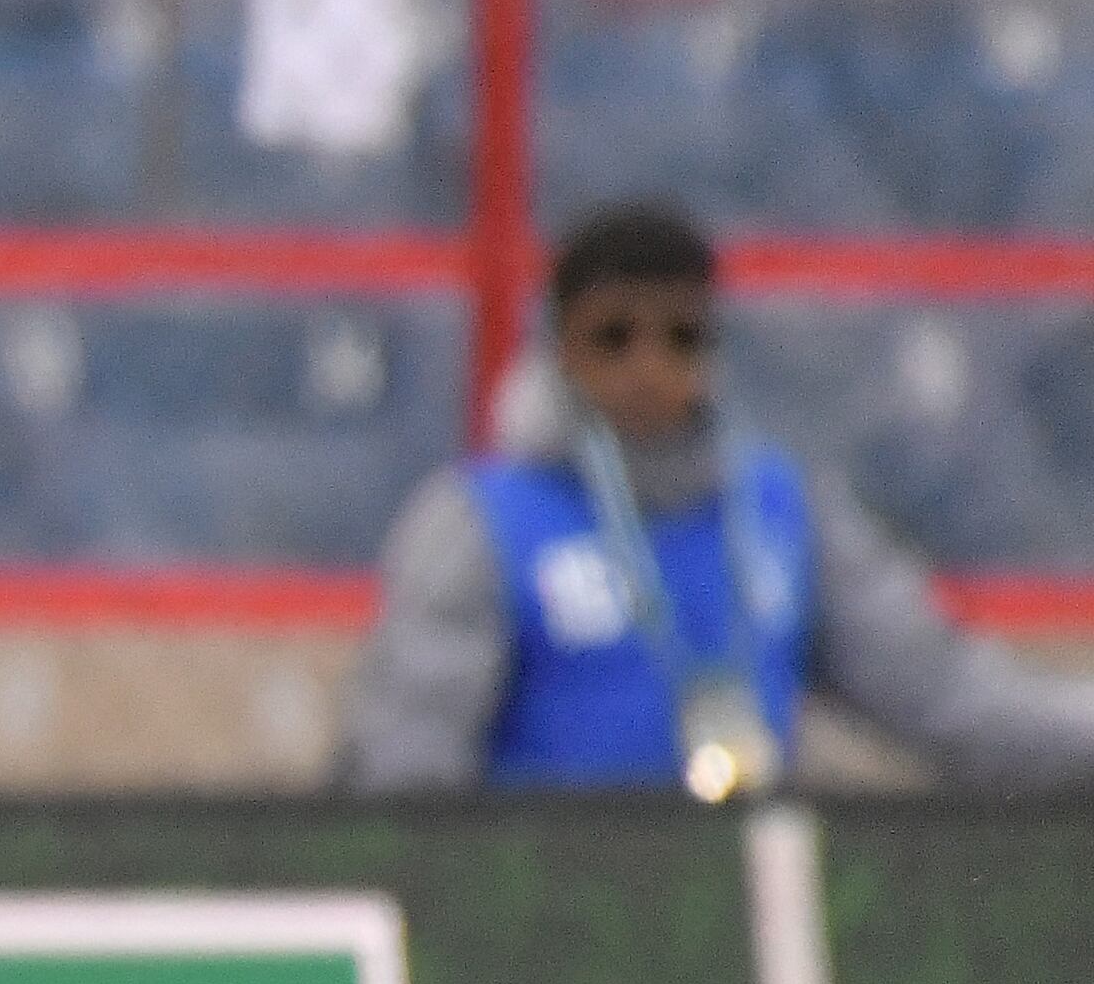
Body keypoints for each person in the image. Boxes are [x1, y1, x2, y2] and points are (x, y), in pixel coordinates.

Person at [346, 199, 1094, 795]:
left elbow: (947, 698)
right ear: (560, 349)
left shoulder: (780, 511)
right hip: (540, 915)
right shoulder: (485, 522)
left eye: (683, 338)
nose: (650, 368)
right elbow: (410, 770)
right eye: (613, 338)